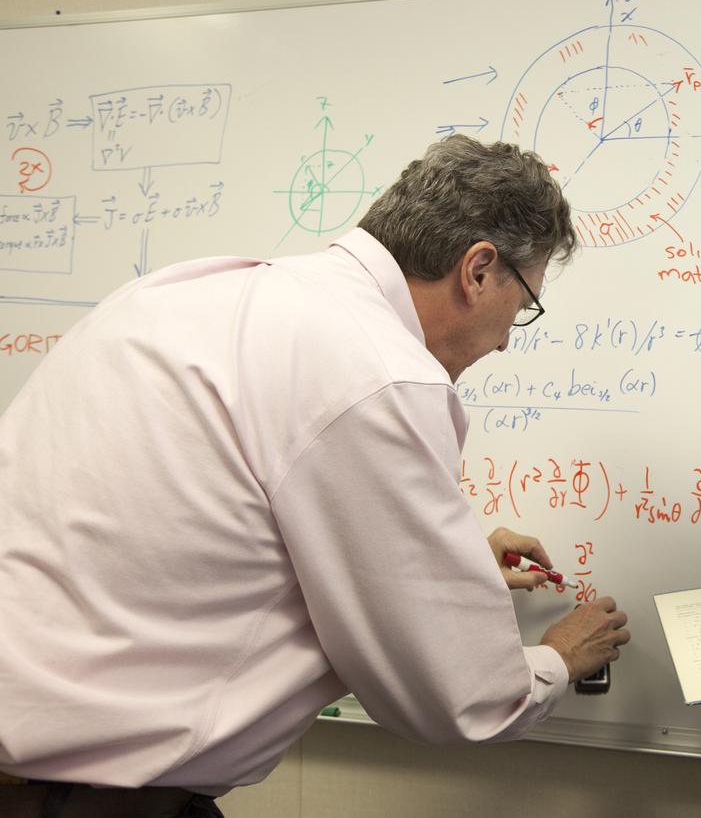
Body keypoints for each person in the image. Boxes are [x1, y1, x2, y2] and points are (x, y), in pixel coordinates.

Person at [0, 135, 630, 817]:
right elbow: (461, 695)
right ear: (479, 270)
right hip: (96, 801)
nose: (509, 337)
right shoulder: (380, 372)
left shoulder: (176, 294)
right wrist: (557, 658)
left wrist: (441, 573)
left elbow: (186, 544)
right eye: (525, 302)